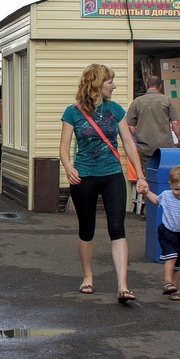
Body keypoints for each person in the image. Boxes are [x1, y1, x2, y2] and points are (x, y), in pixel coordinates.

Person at [59, 63, 147, 303]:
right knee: (87, 229)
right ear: (97, 84)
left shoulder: (115, 110)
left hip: (112, 174)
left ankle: (123, 285)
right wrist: (69, 168)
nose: (114, 86)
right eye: (110, 82)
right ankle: (88, 277)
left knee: (117, 227)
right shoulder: (72, 112)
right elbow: (64, 149)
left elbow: (128, 144)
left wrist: (140, 174)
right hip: (84, 175)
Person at [140, 164, 180, 300]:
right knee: (171, 256)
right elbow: (156, 200)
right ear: (170, 184)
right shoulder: (166, 195)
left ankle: (174, 289)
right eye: (176, 189)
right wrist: (147, 193)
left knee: (178, 264)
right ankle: (167, 282)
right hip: (166, 231)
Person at [125, 74, 180, 169]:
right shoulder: (166, 100)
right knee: (165, 174)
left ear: (146, 85)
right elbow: (175, 123)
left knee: (148, 175)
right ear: (160, 86)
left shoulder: (137, 102)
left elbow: (130, 126)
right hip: (165, 148)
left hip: (145, 148)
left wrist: (139, 135)